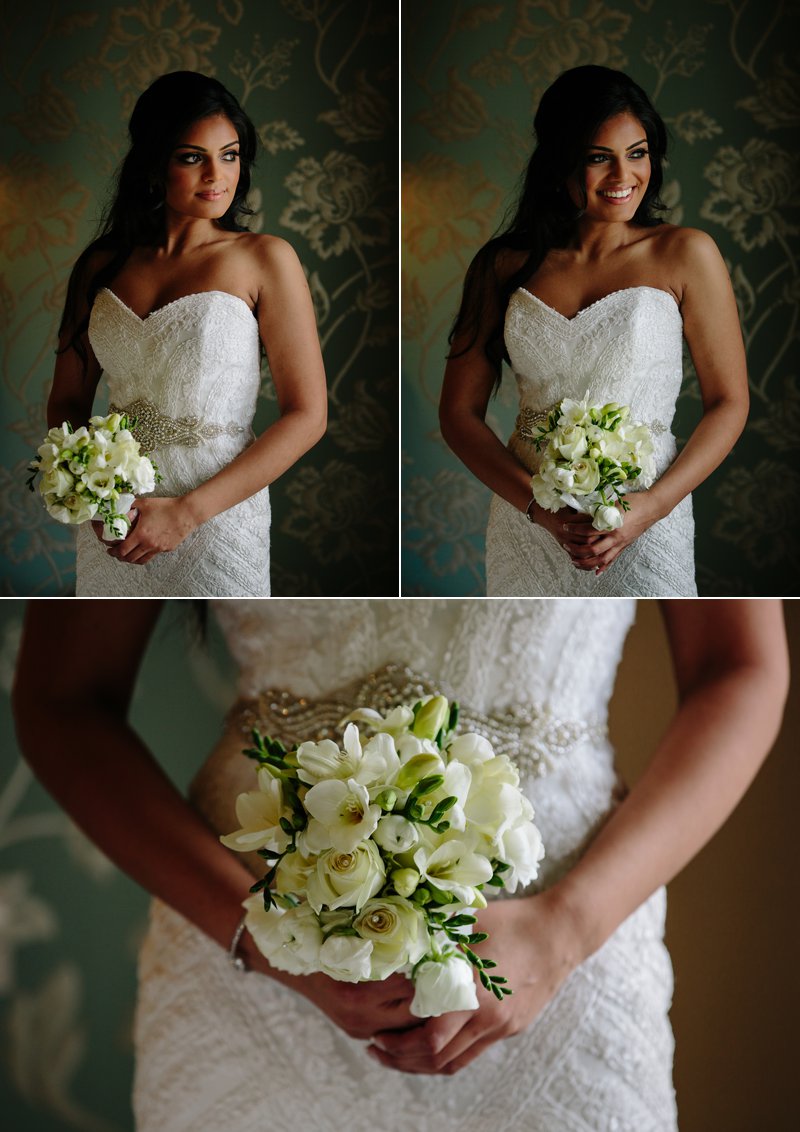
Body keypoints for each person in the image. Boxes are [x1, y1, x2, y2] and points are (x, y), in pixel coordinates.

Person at [13, 597, 787, 1131]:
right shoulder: (175, 362)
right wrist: (264, 933)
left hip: (562, 965)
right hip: (247, 972)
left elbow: (740, 667)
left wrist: (565, 929)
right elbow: (63, 698)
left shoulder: (671, 371)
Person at [439, 65, 749, 597]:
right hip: (530, 522)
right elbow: (458, 415)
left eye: (638, 152)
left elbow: (729, 403)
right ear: (559, 163)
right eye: (598, 157)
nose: (623, 175)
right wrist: (540, 510)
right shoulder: (502, 266)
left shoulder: (685, 253)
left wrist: (649, 507)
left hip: (646, 517)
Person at [48, 71, 327, 597]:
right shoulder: (101, 266)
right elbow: (66, 397)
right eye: (192, 157)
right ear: (154, 164)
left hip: (216, 517)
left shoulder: (265, 258)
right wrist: (94, 497)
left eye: (230, 154)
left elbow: (308, 415)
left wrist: (188, 513)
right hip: (118, 526)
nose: (217, 175)